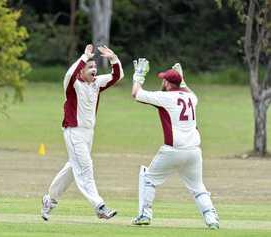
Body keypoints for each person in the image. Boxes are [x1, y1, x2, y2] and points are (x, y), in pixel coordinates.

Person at [130, 59, 219, 229]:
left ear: (168, 84)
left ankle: (144, 215)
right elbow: (188, 91)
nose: (162, 82)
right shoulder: (192, 98)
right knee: (198, 187)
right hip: (193, 151)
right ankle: (211, 219)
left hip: (173, 150)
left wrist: (139, 76)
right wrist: (183, 80)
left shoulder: (165, 97)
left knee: (148, 178)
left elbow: (136, 94)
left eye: (164, 80)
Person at [41, 44, 124, 221]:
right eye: (90, 67)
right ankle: (99, 207)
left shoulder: (97, 84)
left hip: (88, 134)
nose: (94, 70)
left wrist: (113, 59)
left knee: (72, 168)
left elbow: (118, 76)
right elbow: (69, 74)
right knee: (85, 167)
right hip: (74, 131)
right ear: (81, 71)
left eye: (95, 67)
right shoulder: (73, 85)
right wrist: (84, 57)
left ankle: (50, 200)